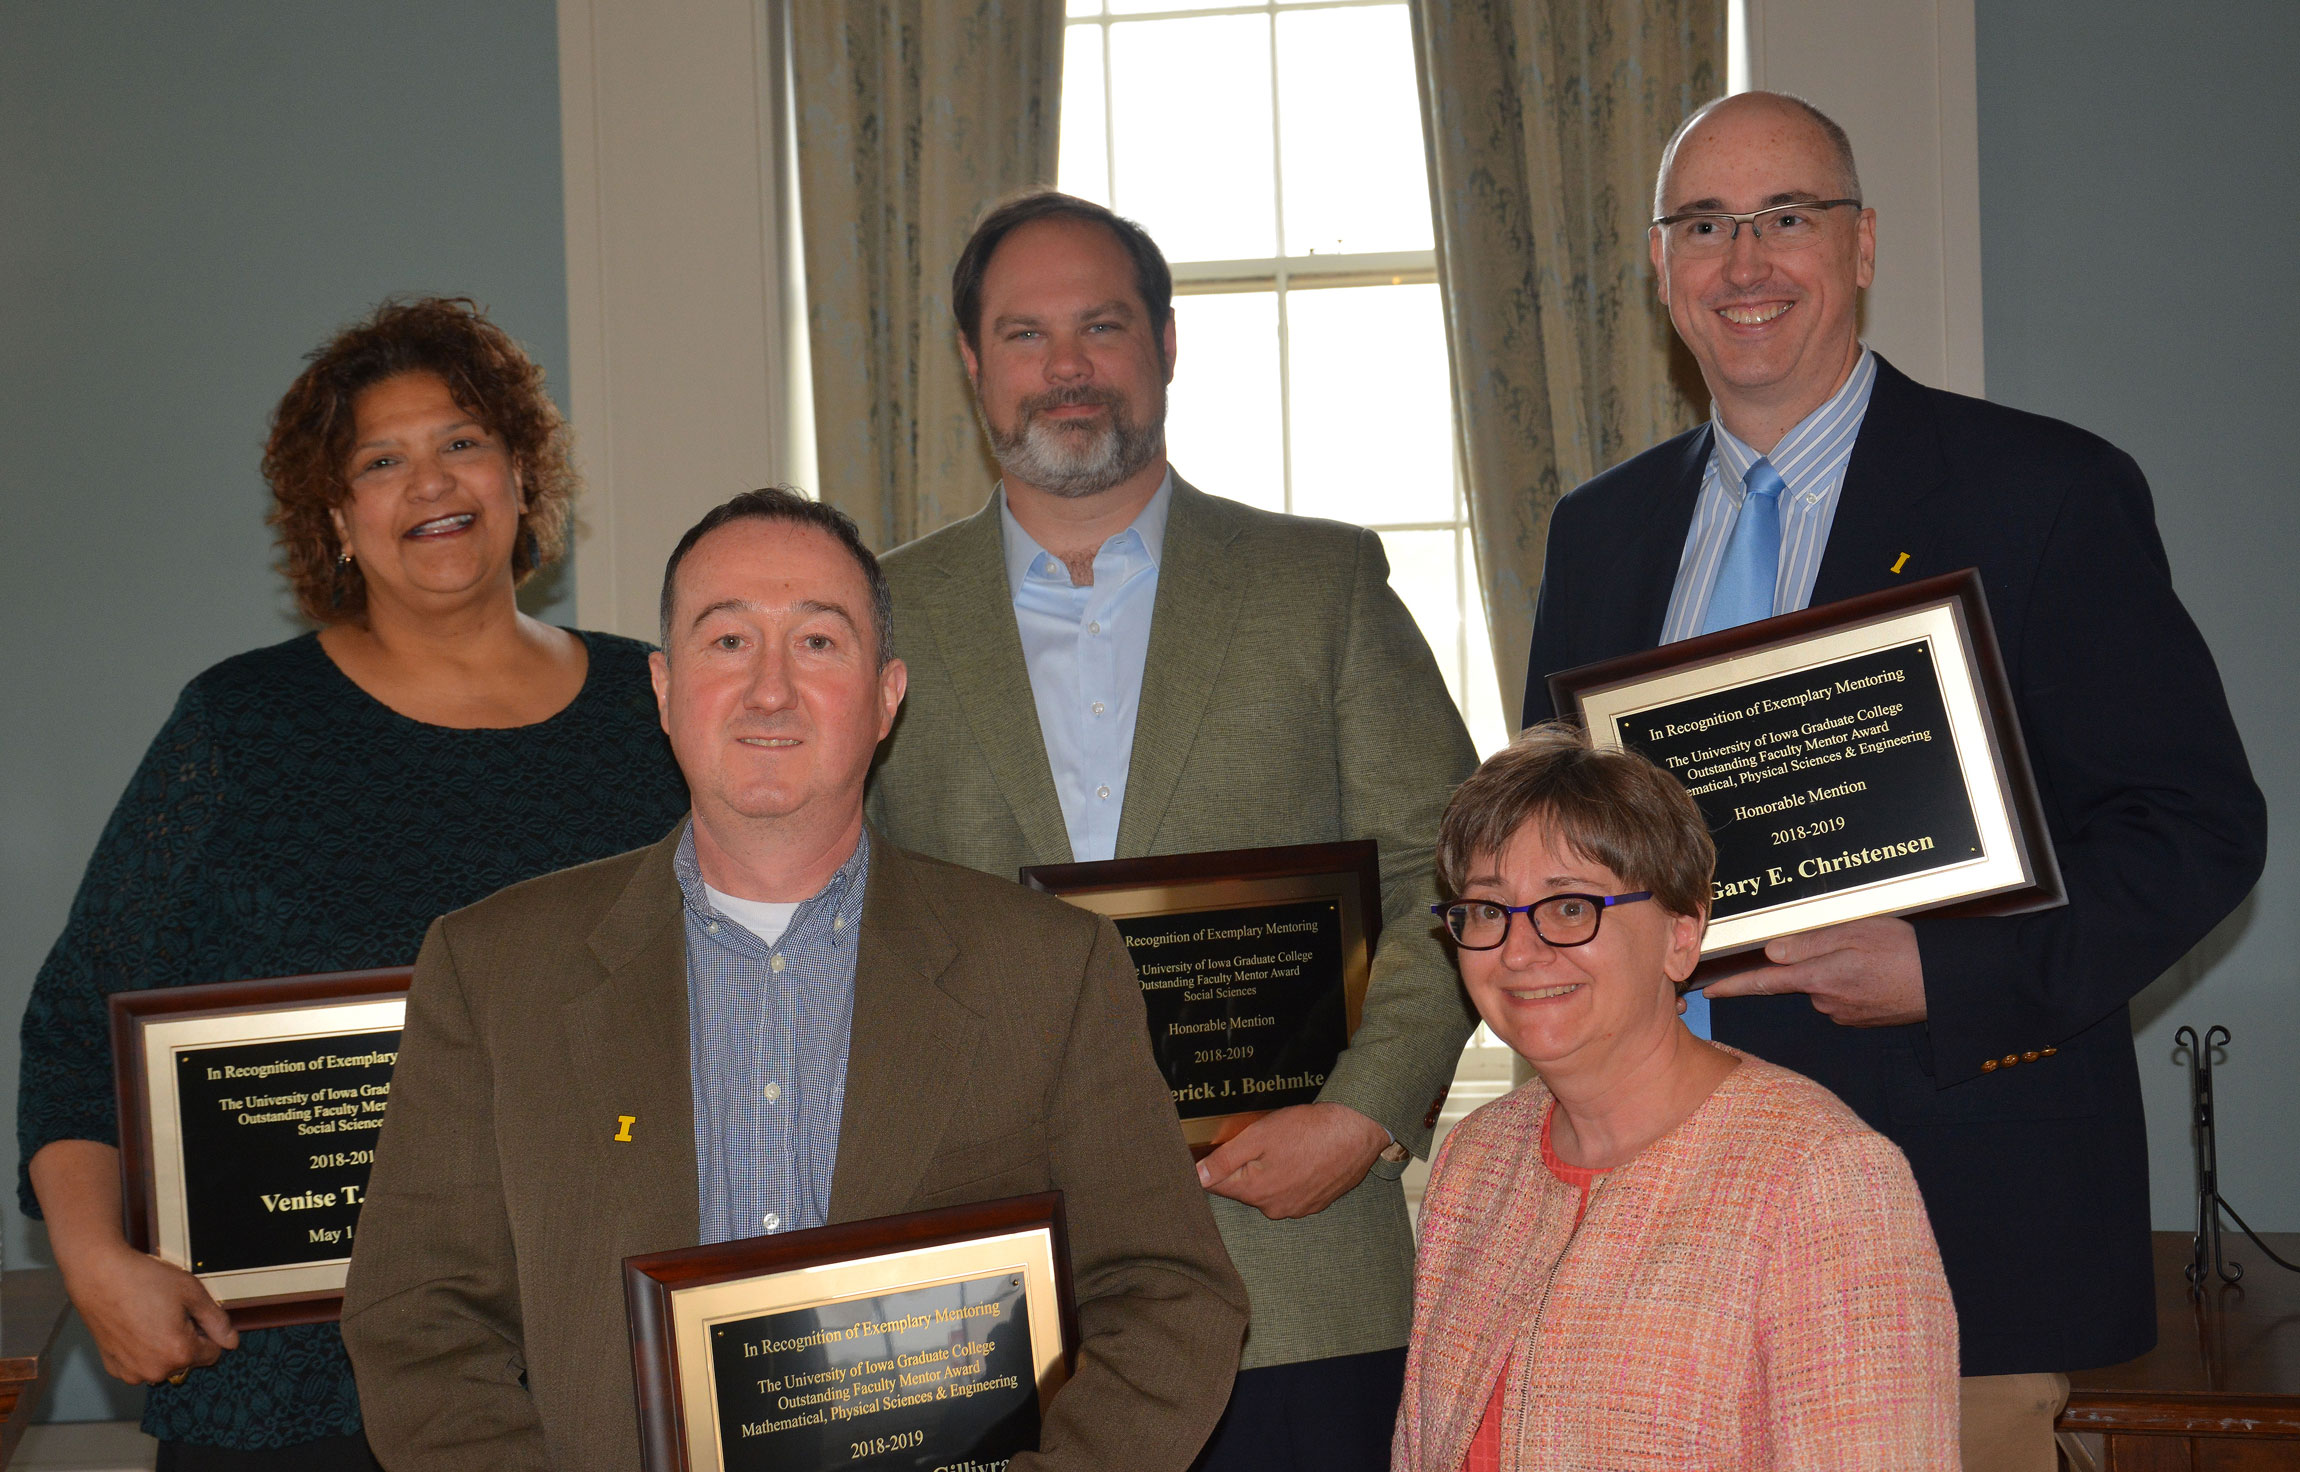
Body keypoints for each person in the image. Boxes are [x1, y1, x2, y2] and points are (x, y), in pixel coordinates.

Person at [1520, 92, 2266, 1469]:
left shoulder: (2045, 492)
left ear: (1861, 247)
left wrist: (1947, 970)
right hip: (1652, 1228)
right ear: (1660, 264)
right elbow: (1558, 865)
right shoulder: (1601, 531)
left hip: (1949, 1228)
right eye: (1704, 224)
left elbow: (2195, 832)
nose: (1745, 262)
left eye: (1787, 218)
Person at [340, 488, 1249, 1472]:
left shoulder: (1046, 969)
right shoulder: (492, 971)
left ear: (887, 693)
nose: (768, 689)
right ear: (661, 686)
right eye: (726, 640)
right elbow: (418, 1319)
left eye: (817, 643)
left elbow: (1169, 1293)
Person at [17, 297, 691, 1468]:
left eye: (463, 442)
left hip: (585, 1371)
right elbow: (79, 1024)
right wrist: (91, 1257)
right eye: (381, 461)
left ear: (523, 477)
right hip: (283, 1393)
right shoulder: (238, 724)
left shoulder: (659, 710)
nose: (429, 483)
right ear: (336, 517)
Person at [866, 191, 1480, 1472]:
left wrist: (1366, 1114)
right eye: (1023, 334)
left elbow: (1450, 868)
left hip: (1296, 1275)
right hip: (985, 1301)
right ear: (973, 365)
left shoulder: (1319, 584)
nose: (1067, 367)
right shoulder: (874, 618)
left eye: (1101, 324)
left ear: (1164, 342)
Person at [1391, 725, 1958, 1470]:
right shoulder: (1477, 1157)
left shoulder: (1823, 1180)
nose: (1519, 952)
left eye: (1570, 908)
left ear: (1681, 936)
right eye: (1490, 910)